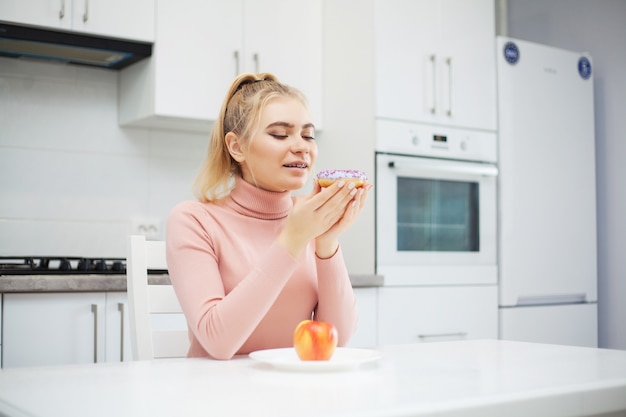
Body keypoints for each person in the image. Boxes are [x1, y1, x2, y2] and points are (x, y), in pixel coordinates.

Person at [165, 73, 372, 360]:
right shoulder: (193, 220)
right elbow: (218, 342)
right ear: (237, 147)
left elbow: (338, 339)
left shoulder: (309, 217)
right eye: (279, 134)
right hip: (215, 394)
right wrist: (294, 238)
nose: (302, 146)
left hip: (293, 392)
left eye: (308, 135)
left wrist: (327, 241)